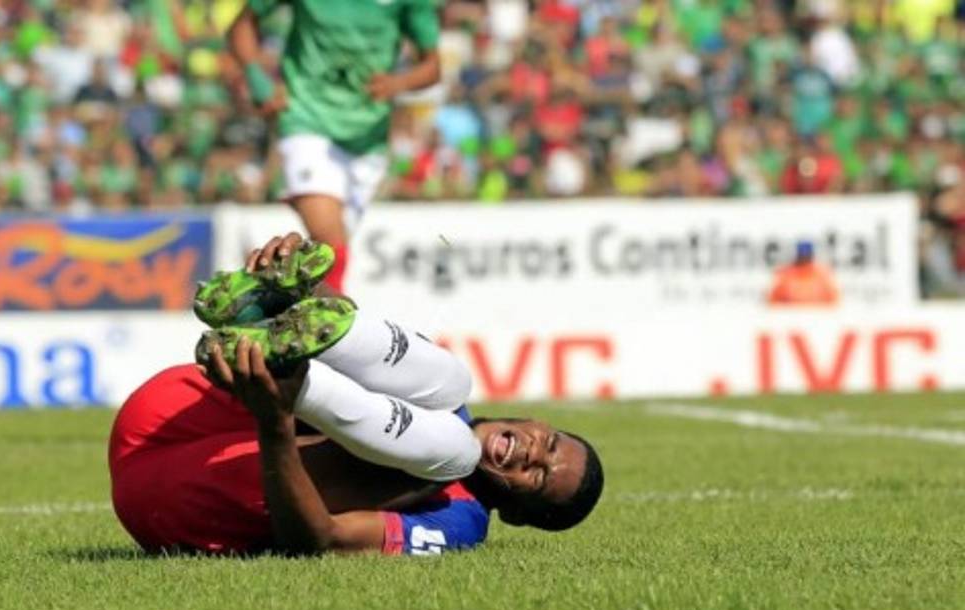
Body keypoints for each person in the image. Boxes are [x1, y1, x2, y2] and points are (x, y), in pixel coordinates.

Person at [108, 233, 604, 555]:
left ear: (515, 513)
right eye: (553, 443)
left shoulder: (459, 523)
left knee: (448, 455)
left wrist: (276, 425)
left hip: (180, 501)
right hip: (181, 406)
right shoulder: (437, 388)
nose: (535, 454)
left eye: (537, 478)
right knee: (450, 386)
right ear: (540, 423)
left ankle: (296, 385)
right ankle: (279, 307)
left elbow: (321, 540)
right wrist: (303, 281)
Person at [227, 0, 441, 291]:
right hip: (304, 119)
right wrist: (256, 78)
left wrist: (397, 83)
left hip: (368, 137)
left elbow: (433, 66)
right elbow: (242, 25)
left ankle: (285, 305)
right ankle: (331, 322)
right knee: (329, 243)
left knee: (328, 252)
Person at [767, 240, 839, 305]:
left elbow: (833, 299)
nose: (804, 260)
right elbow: (772, 300)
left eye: (806, 257)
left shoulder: (822, 274)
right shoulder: (786, 274)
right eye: (802, 257)